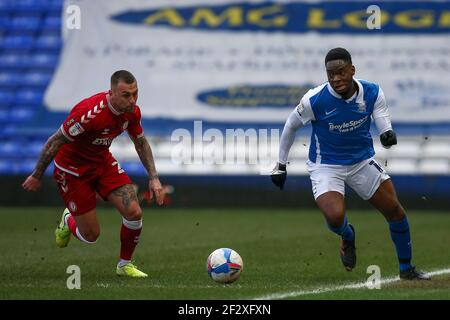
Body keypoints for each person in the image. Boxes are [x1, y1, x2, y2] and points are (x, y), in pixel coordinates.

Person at [271, 48, 430, 280]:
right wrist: (281, 164)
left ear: (352, 70)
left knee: (395, 211)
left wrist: (387, 134)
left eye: (341, 72)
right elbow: (290, 125)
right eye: (331, 74)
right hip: (326, 166)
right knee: (335, 217)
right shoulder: (314, 100)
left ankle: (406, 269)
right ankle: (347, 234)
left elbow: (383, 122)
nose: (336, 79)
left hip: (361, 161)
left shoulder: (372, 92)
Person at [22, 70, 164, 278]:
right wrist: (37, 174)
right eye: (126, 95)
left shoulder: (132, 112)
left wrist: (154, 177)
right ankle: (68, 220)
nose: (132, 100)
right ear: (112, 93)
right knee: (90, 236)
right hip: (72, 171)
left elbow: (140, 142)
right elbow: (55, 141)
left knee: (134, 212)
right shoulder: (89, 113)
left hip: (102, 162)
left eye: (135, 93)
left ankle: (124, 265)